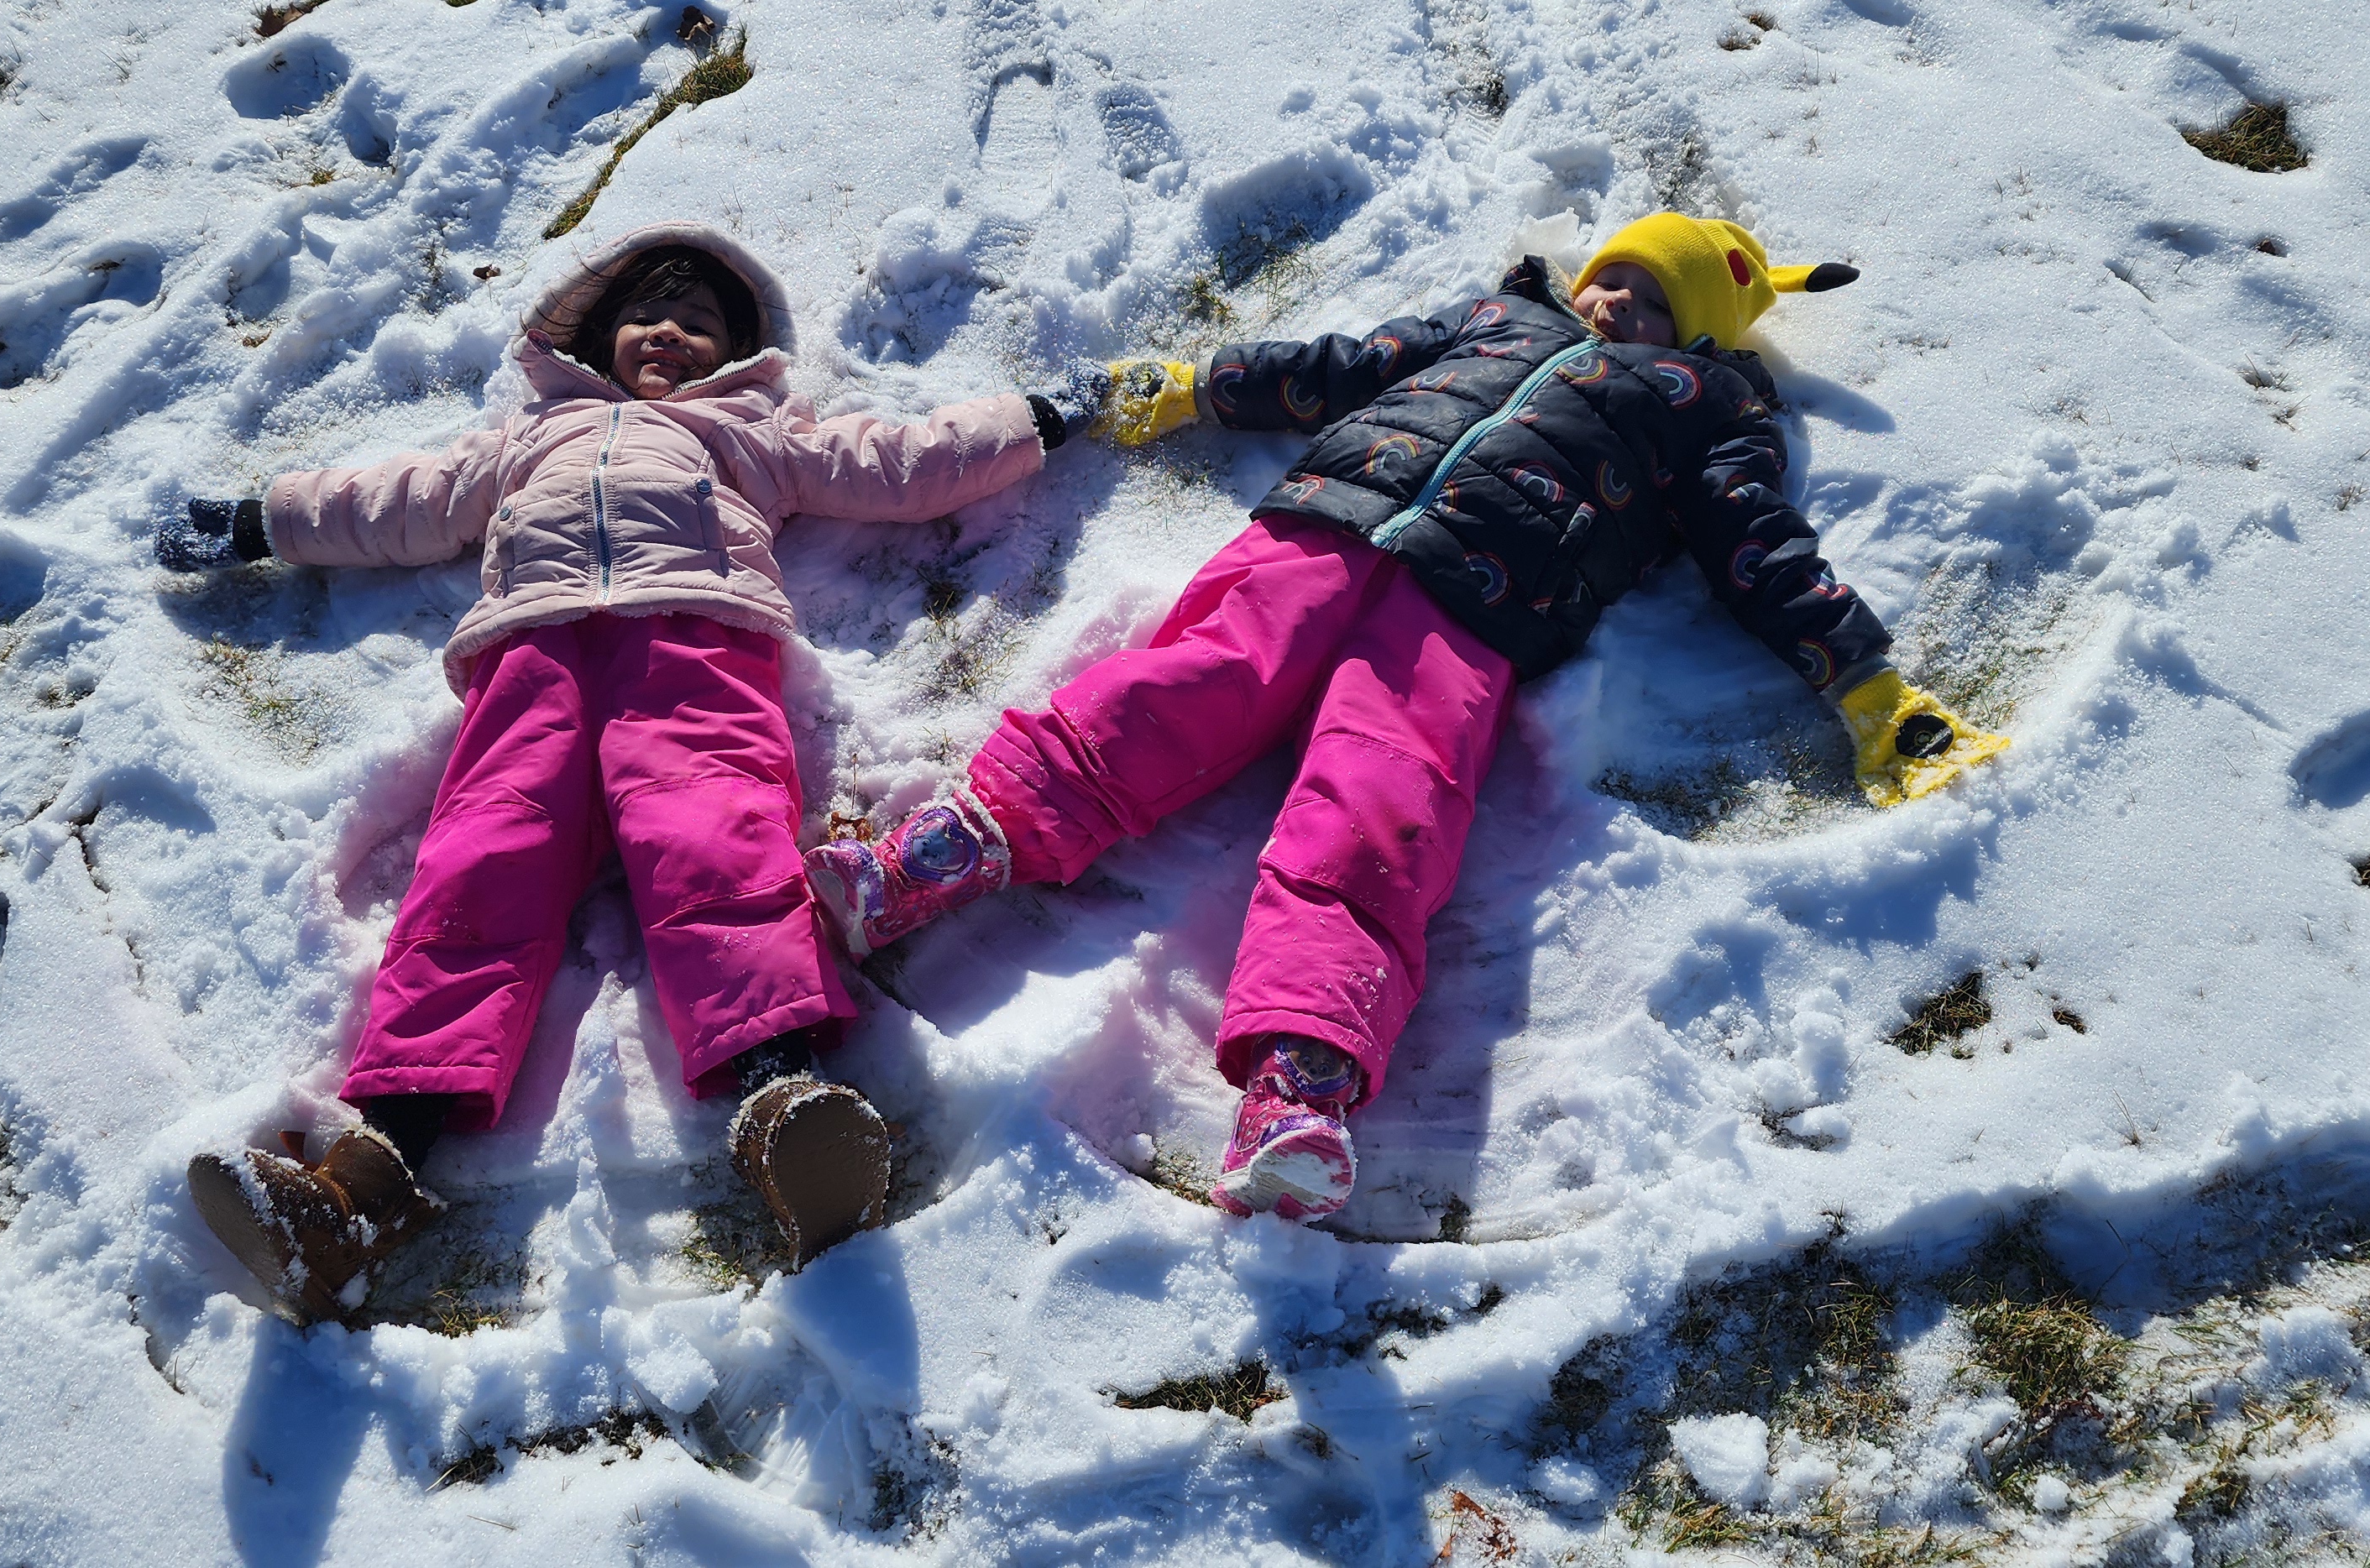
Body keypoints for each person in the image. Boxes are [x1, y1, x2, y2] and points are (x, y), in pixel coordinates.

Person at [804, 212, 2005, 1224]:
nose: (1612, 306)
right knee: (1176, 689)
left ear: (1694, 336)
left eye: (1648, 302)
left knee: (1384, 804)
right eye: (1609, 279)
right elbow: (1333, 367)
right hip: (1317, 532)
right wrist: (1188, 388)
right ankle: (937, 856)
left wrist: (1865, 685)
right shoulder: (1497, 320)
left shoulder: (1702, 407)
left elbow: (1761, 546)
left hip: (1473, 610)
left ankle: (1302, 1081)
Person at [157, 222, 1098, 1323]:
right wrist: (256, 520)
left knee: (718, 846)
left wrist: (1032, 420)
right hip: (533, 659)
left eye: (705, 325)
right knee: (475, 878)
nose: (675, 335)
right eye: (652, 316)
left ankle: (785, 1105)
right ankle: (358, 1195)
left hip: (694, 648)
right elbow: (394, 503)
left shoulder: (754, 435)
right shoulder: (527, 440)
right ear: (598, 339)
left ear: (737, 356)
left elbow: (899, 465)